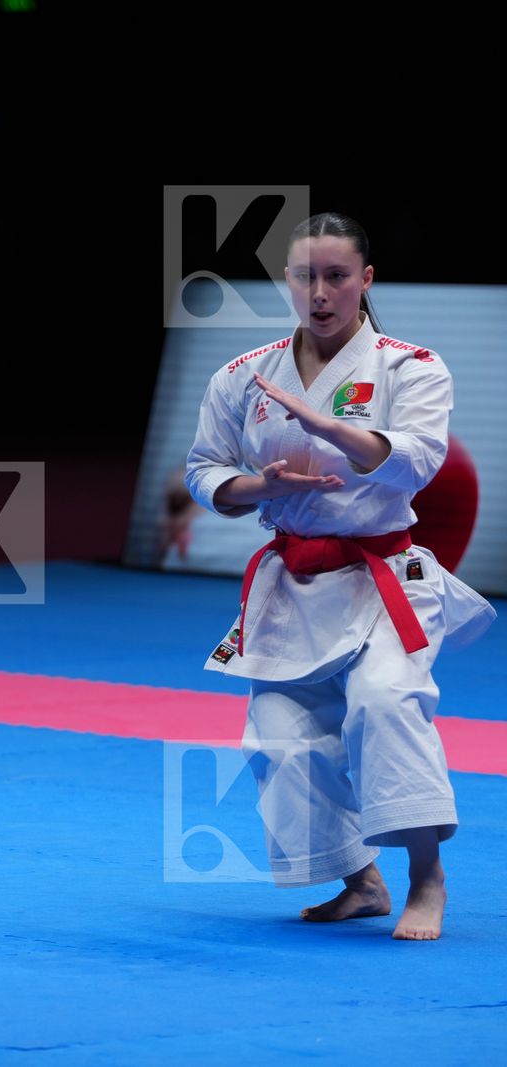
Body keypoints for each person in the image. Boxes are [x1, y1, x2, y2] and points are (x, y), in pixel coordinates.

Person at [186, 212, 495, 941]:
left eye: (336, 276)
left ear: (366, 280)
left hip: (386, 570)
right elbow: (204, 472)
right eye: (304, 276)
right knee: (281, 736)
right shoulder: (242, 376)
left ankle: (428, 878)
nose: (320, 291)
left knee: (386, 703)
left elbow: (420, 458)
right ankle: (361, 881)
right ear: (287, 282)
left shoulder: (410, 366)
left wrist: (328, 427)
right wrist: (257, 489)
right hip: (292, 579)